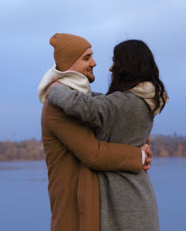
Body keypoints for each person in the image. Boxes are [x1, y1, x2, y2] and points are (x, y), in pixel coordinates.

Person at [47, 39, 168, 231]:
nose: (110, 68)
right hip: (136, 196)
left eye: (116, 62)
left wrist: (54, 89)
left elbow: (87, 106)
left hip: (125, 203)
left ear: (128, 66)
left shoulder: (126, 103)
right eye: (88, 58)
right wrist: (140, 155)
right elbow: (103, 102)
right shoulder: (142, 100)